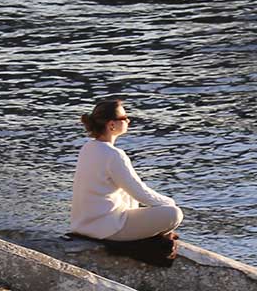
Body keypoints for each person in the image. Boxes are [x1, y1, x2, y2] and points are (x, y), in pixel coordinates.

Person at [70, 97, 184, 245]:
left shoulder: (88, 148)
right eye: (124, 118)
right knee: (174, 214)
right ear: (111, 125)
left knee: (144, 205)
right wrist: (170, 203)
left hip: (82, 225)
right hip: (106, 228)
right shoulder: (113, 154)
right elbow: (140, 193)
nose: (128, 121)